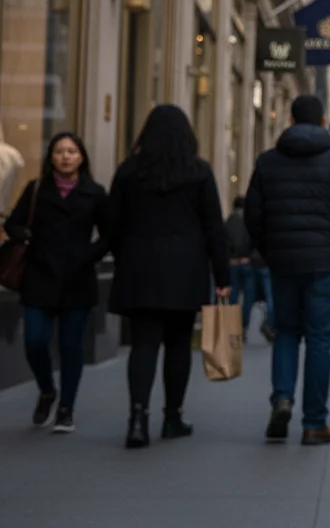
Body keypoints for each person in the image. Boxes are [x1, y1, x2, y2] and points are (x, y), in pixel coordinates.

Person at [245, 94, 330, 446]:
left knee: (286, 332)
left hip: (283, 263)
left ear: (291, 119)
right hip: (325, 264)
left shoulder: (268, 162)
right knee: (318, 340)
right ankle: (314, 423)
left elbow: (254, 214)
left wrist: (271, 249)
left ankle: (282, 399)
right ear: (324, 120)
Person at [107, 105, 230, 449]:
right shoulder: (198, 172)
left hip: (140, 266)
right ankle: (172, 417)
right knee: (178, 344)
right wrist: (222, 274)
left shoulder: (129, 172)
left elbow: (111, 222)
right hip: (186, 268)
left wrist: (125, 254)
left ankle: (137, 418)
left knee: (144, 343)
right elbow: (213, 229)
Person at [5, 133, 107, 433]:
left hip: (77, 278)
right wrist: (24, 236)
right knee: (35, 340)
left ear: (81, 157)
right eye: (60, 151)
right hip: (39, 275)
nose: (65, 156)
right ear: (51, 157)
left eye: (72, 151)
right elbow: (12, 222)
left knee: (71, 346)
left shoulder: (95, 192)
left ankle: (66, 410)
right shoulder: (36, 189)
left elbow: (110, 234)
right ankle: (48, 390)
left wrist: (87, 256)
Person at [225, 196, 275, 343]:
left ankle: (234, 329)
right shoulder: (250, 221)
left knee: (233, 297)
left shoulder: (229, 222)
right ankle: (244, 327)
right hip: (248, 263)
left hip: (232, 263)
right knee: (248, 298)